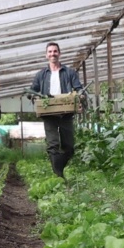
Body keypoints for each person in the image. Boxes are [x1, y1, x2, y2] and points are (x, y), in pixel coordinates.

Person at [28, 42, 84, 178]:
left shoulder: (69, 72)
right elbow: (32, 90)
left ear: (59, 53)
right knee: (52, 145)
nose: (53, 54)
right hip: (48, 113)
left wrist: (80, 96)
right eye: (50, 52)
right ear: (46, 55)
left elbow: (78, 88)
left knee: (69, 147)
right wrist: (33, 96)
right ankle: (58, 174)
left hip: (66, 113)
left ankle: (58, 166)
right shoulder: (41, 74)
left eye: (55, 51)